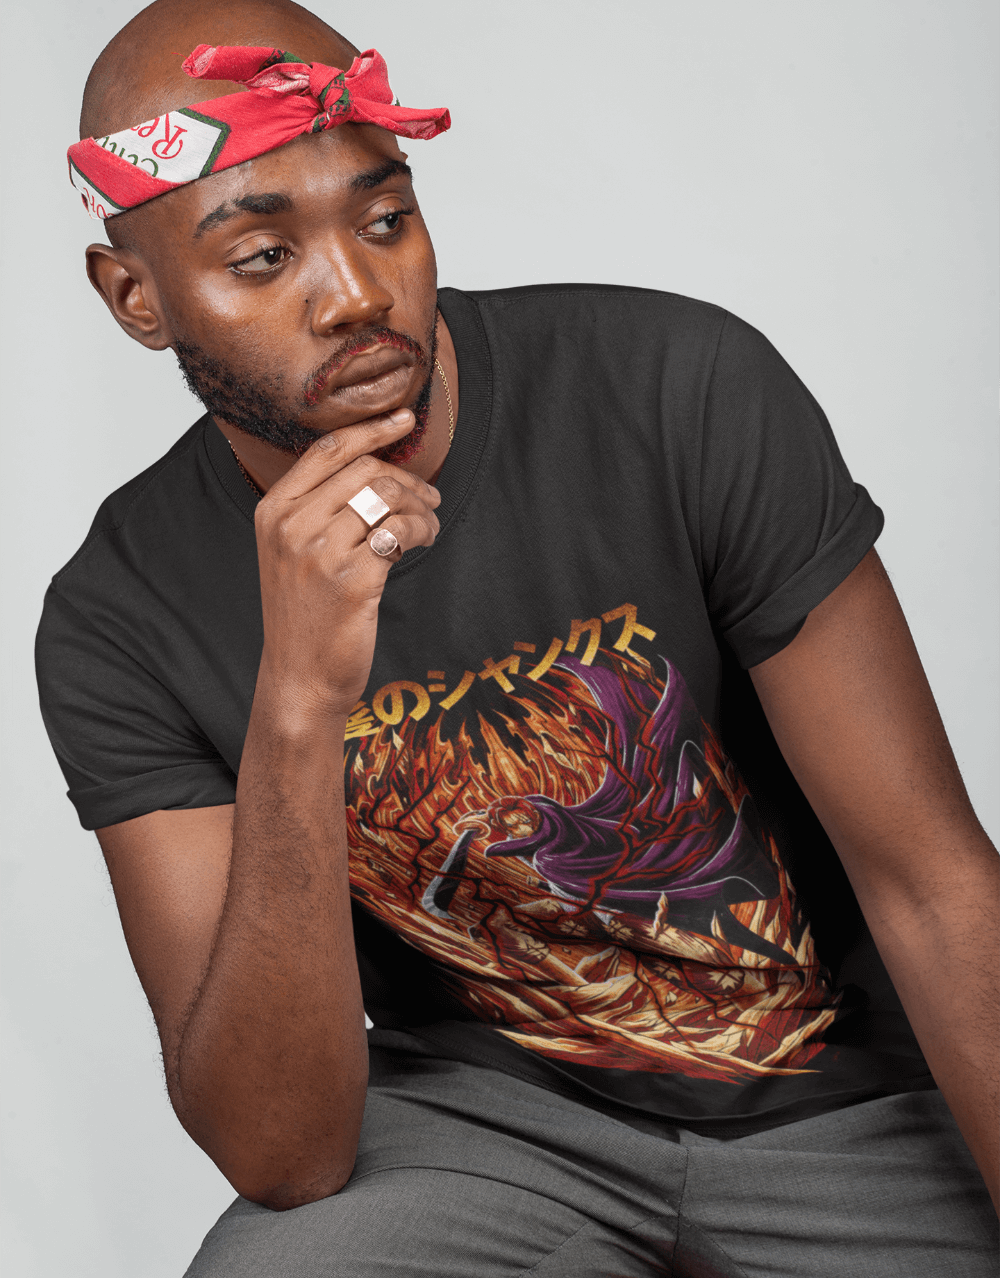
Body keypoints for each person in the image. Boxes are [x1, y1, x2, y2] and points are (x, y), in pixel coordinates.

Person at [35, 0, 998, 1273]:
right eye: (263, 257)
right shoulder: (119, 613)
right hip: (485, 1137)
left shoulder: (676, 388)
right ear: (135, 297)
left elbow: (935, 887)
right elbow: (281, 1155)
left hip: (849, 1105)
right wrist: (298, 700)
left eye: (386, 219)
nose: (357, 294)